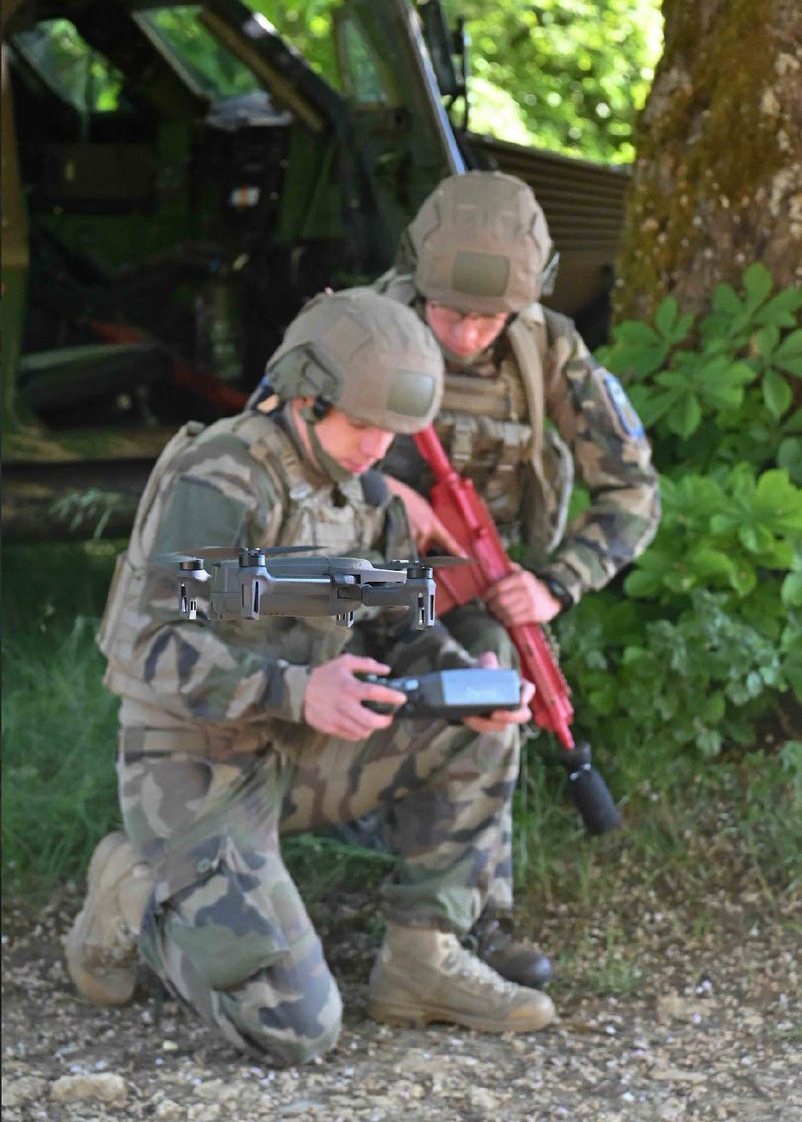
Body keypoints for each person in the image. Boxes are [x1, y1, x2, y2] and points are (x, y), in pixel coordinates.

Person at [64, 289, 556, 1066]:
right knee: (296, 1028)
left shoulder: (370, 497)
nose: (376, 448)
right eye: (360, 425)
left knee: (479, 730)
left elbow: (402, 628)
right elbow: (153, 643)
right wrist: (297, 690)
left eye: (391, 432)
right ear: (305, 398)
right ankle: (140, 895)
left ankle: (423, 957)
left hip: (304, 752)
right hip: (195, 767)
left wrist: (463, 680)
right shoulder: (224, 475)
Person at [371, 171, 661, 984]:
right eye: (449, 313)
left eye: (488, 317)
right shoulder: (359, 327)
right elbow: (267, 452)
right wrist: (379, 491)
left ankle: (465, 920)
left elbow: (634, 491)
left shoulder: (547, 348)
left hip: (469, 588)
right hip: (341, 582)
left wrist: (557, 583)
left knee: (491, 678)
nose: (466, 333)